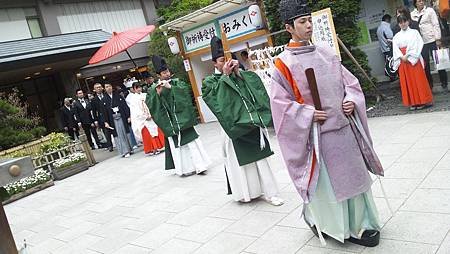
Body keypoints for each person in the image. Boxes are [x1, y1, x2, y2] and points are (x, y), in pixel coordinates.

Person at [270, 0, 384, 247]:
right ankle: (330, 224)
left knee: (356, 180)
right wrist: (307, 113)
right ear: (288, 27)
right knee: (328, 188)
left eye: (309, 20)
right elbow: (280, 106)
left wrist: (350, 100)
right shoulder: (283, 63)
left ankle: (362, 224)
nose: (309, 25)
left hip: (344, 130)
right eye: (302, 22)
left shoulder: (326, 52)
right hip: (317, 138)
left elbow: (350, 84)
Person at [201, 36, 284, 206]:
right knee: (238, 160)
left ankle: (270, 192)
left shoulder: (242, 75)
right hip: (232, 126)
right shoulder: (210, 81)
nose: (226, 62)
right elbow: (215, 100)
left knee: (261, 157)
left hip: (251, 121)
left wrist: (238, 74)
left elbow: (255, 91)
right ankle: (246, 193)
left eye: (228, 59)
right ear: (215, 63)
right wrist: (225, 76)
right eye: (222, 60)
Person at [146, 55, 211, 176]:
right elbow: (152, 106)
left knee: (192, 143)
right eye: (164, 73)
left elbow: (185, 95)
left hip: (183, 119)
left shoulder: (177, 83)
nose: (166, 74)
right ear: (158, 75)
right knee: (179, 147)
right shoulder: (153, 89)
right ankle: (185, 169)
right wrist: (157, 94)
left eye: (167, 71)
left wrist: (171, 88)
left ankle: (200, 165)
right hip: (170, 122)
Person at [392, 15, 434, 110]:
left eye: (404, 21)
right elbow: (395, 48)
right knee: (408, 82)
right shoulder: (397, 36)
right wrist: (401, 56)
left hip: (413, 59)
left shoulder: (414, 33)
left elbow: (418, 45)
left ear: (408, 22)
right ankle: (413, 102)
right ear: (398, 24)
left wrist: (408, 55)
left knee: (418, 80)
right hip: (403, 60)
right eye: (400, 22)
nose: (403, 24)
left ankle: (423, 100)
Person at [411, 0, 448, 90]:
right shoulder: (412, 14)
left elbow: (436, 25)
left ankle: (444, 82)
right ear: (415, 3)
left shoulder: (430, 11)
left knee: (439, 62)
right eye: (419, 1)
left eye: (422, 1)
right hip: (421, 42)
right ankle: (429, 84)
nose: (421, 2)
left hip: (432, 40)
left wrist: (438, 39)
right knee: (425, 64)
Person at [126, 82, 164, 155]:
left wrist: (151, 114)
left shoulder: (145, 95)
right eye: (137, 88)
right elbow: (136, 111)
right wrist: (145, 116)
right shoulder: (133, 99)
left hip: (150, 116)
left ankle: (159, 147)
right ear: (134, 89)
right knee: (148, 133)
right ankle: (152, 149)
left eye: (140, 87)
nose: (139, 89)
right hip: (142, 119)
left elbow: (150, 103)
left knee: (155, 130)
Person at [101, 83, 132, 158]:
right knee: (118, 134)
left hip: (121, 117)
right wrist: (106, 122)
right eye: (106, 87)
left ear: (112, 87)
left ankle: (129, 149)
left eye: (109, 86)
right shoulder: (104, 99)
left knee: (125, 132)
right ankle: (124, 151)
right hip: (113, 119)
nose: (108, 88)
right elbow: (104, 112)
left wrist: (128, 116)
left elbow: (125, 106)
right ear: (104, 89)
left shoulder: (118, 96)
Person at [92, 83, 113, 152]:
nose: (99, 88)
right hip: (101, 117)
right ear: (95, 90)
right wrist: (95, 120)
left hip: (110, 115)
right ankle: (109, 145)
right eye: (97, 88)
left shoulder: (107, 95)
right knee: (106, 131)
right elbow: (94, 111)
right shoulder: (94, 99)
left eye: (100, 87)